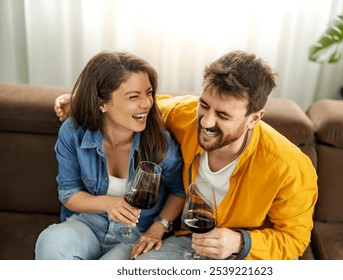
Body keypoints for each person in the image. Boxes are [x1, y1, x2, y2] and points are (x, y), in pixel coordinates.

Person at [54, 50, 318, 260]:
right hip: (186, 241)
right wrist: (79, 100)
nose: (206, 122)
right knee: (141, 266)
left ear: (254, 118)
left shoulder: (290, 167)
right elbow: (134, 107)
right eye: (204, 105)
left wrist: (238, 241)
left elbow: (295, 241)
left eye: (223, 115)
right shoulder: (183, 114)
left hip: (247, 255)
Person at [36, 51, 185, 260]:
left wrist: (157, 228)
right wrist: (108, 203)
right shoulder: (73, 132)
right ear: (102, 103)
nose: (147, 103)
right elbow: (69, 194)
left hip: (135, 234)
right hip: (86, 224)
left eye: (149, 93)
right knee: (52, 241)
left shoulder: (160, 142)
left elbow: (180, 192)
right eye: (133, 96)